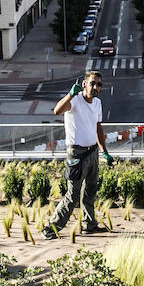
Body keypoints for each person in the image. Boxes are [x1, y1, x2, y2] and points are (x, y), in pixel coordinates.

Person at [43, 72, 112, 239]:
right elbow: (57, 111)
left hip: (93, 151)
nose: (95, 87)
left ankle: (89, 224)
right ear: (84, 84)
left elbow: (97, 127)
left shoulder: (97, 103)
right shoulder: (75, 100)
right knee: (73, 194)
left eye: (98, 85)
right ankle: (51, 227)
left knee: (90, 189)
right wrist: (69, 94)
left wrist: (104, 151)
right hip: (76, 153)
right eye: (92, 83)